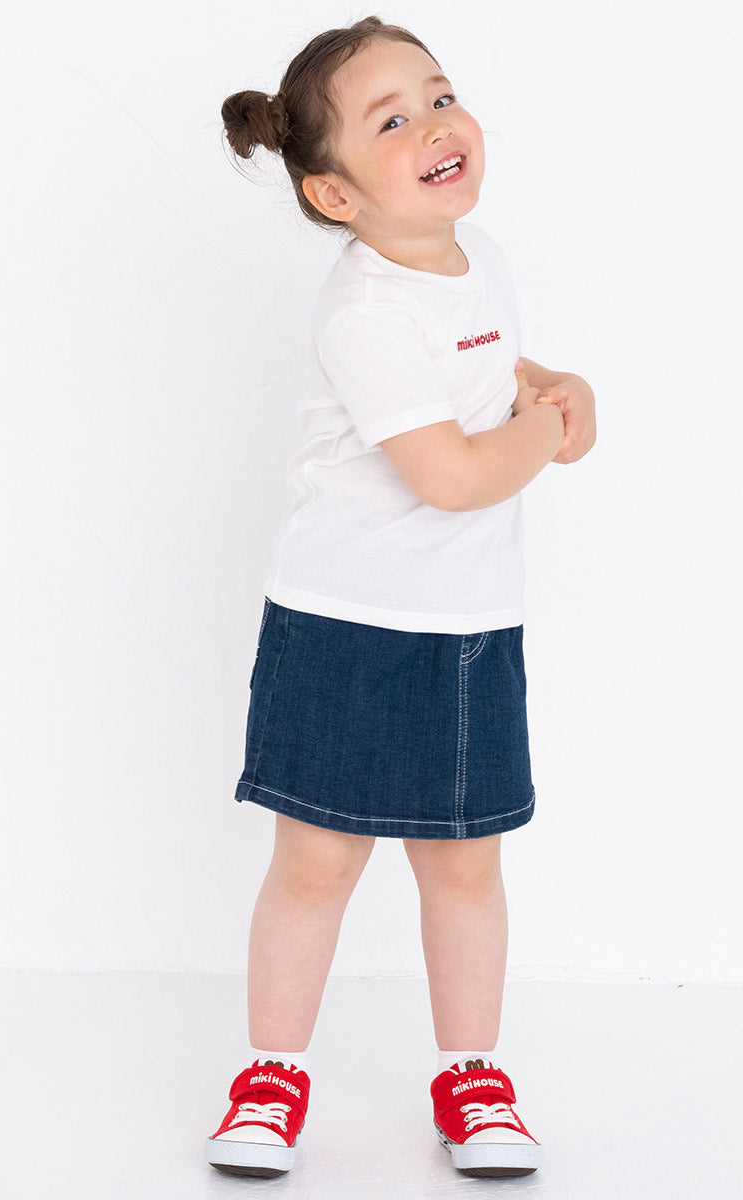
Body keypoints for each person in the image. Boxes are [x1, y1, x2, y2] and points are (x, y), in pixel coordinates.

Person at [206, 15, 595, 1181]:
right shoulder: (365, 313)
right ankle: (270, 1075)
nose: (435, 125)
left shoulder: (479, 255)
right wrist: (541, 433)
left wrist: (554, 387)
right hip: (345, 628)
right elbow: (454, 475)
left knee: (464, 865)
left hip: (466, 627)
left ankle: (471, 1075)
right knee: (317, 864)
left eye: (439, 95)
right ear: (334, 195)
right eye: (392, 119)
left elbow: (494, 380)